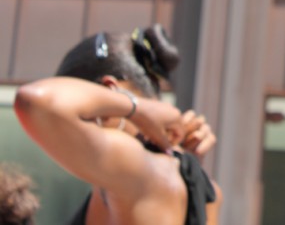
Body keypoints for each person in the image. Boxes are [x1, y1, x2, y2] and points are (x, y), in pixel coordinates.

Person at [14, 25, 221, 225]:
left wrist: (136, 107)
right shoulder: (193, 183)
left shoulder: (139, 169)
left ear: (108, 92)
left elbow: (35, 102)